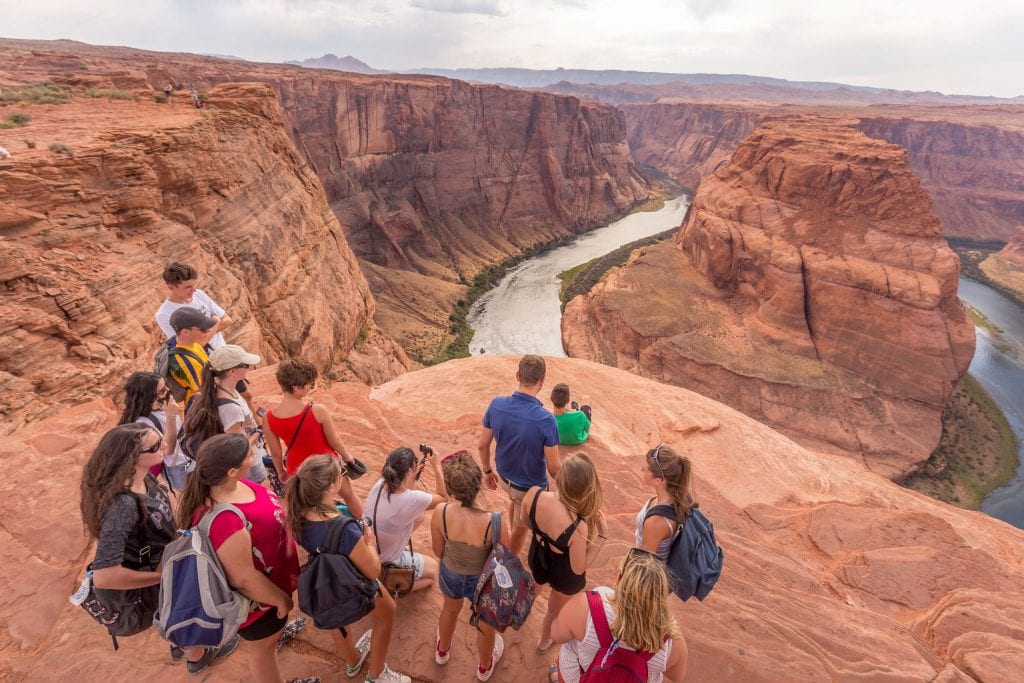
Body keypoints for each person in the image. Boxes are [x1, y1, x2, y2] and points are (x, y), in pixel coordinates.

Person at [80, 423, 237, 672]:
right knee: (181, 607)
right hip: (153, 574)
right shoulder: (122, 506)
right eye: (154, 446)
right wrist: (161, 576)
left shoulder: (140, 477)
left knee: (173, 608)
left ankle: (179, 642)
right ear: (132, 458)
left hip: (163, 560)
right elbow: (104, 576)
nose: (164, 445)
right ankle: (197, 656)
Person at [176, 433, 303, 683]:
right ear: (232, 470)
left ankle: (275, 638)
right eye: (248, 456)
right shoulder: (225, 520)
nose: (253, 456)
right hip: (259, 604)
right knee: (261, 652)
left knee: (267, 642)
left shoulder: (231, 486)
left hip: (271, 586)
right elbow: (244, 578)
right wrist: (280, 601)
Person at [286, 456, 412, 683]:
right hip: (353, 581)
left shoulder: (297, 513)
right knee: (387, 614)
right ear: (332, 486)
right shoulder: (344, 529)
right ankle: (377, 675)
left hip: (324, 583)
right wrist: (370, 543)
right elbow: (373, 570)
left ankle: (353, 662)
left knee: (337, 618)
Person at [550, 549, 688, 682]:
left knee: (569, 648)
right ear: (662, 596)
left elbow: (556, 634)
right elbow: (676, 676)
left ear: (619, 579)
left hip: (581, 678)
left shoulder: (587, 606)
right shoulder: (673, 642)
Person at [430, 451, 509, 681]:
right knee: (485, 621)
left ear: (451, 489)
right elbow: (505, 556)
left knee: (450, 610)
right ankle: (484, 666)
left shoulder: (440, 512)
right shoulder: (495, 520)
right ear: (479, 484)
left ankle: (442, 650)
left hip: (451, 573)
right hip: (482, 581)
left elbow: (438, 551)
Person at [522, 453, 607, 654]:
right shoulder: (578, 526)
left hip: (538, 556)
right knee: (553, 609)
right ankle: (544, 641)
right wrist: (602, 537)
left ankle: (522, 611)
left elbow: (525, 522)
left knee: (535, 584)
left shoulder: (534, 494)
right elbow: (578, 568)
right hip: (562, 573)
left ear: (560, 478)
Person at [479, 355, 561, 555]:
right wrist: (568, 492)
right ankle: (509, 561)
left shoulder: (496, 404)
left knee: (515, 503)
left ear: (518, 375)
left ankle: (514, 522)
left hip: (504, 478)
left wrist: (488, 471)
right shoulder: (545, 419)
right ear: (542, 381)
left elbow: (482, 445)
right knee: (522, 527)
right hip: (529, 487)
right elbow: (553, 467)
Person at [265, 357, 363, 518]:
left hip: (297, 470)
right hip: (328, 466)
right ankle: (364, 527)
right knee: (349, 495)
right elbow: (335, 440)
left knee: (306, 508)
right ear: (297, 388)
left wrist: (281, 471)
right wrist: (348, 458)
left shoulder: (269, 418)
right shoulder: (317, 410)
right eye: (310, 384)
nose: (312, 387)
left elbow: (275, 452)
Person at [181, 344, 268, 484]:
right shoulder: (230, 409)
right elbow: (238, 446)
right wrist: (260, 431)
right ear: (232, 371)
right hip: (249, 465)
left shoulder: (217, 390)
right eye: (245, 365)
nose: (248, 367)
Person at [364, 446, 446, 593]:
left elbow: (404, 493)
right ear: (408, 471)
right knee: (433, 572)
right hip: (386, 562)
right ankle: (387, 588)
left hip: (368, 550)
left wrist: (412, 476)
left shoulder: (380, 484)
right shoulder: (411, 499)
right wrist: (436, 465)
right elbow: (443, 498)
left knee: (419, 516)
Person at [117, 371, 188, 491]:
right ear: (148, 395)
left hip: (187, 459)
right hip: (177, 468)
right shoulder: (143, 423)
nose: (167, 389)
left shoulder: (163, 405)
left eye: (166, 384)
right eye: (162, 390)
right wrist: (171, 417)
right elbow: (167, 450)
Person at [155, 262, 232, 349]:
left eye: (194, 284)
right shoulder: (164, 314)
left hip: (224, 351)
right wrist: (216, 321)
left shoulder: (199, 294)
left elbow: (228, 320)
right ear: (171, 287)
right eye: (188, 287)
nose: (194, 289)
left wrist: (205, 334)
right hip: (204, 360)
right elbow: (187, 346)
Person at [636, 444, 693, 560]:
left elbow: (645, 563)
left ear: (658, 480)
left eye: (644, 470)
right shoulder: (679, 496)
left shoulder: (656, 522)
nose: (641, 470)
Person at [166, 306, 215, 406]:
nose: (207, 331)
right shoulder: (185, 361)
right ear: (185, 332)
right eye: (203, 329)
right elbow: (205, 388)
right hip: (201, 405)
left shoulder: (191, 342)